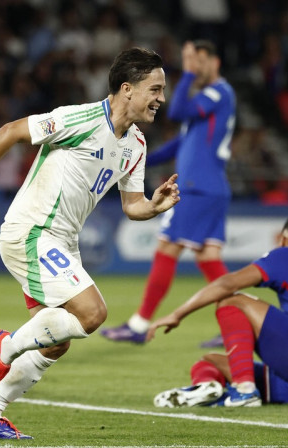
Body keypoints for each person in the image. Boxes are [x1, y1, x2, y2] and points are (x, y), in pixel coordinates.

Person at [0, 47, 180, 439]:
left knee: (55, 344)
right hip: (31, 231)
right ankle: (2, 348)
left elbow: (132, 205)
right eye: (155, 89)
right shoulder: (80, 118)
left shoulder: (135, 145)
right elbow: (11, 132)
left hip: (62, 244)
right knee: (92, 314)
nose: (161, 99)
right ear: (127, 89)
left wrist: (154, 207)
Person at [147, 216, 288, 407]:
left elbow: (228, 283)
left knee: (231, 301)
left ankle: (244, 391)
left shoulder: (285, 254)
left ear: (284, 240)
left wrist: (178, 314)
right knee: (209, 362)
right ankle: (209, 386)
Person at [100, 40, 235, 347]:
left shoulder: (219, 92)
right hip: (209, 187)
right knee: (208, 256)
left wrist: (185, 75)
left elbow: (176, 111)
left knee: (167, 246)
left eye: (198, 61)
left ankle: (139, 324)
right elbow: (179, 144)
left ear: (213, 63)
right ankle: (238, 322)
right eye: (189, 61)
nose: (193, 67)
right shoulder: (206, 103)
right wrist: (141, 159)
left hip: (196, 187)